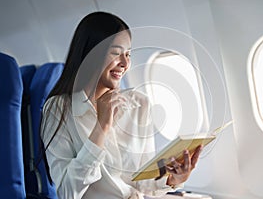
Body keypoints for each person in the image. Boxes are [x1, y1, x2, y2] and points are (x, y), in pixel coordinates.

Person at [40, 11, 202, 199]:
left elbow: (139, 181)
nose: (125, 63)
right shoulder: (59, 109)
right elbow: (68, 192)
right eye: (116, 53)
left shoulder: (138, 103)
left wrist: (173, 178)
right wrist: (101, 127)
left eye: (128, 54)